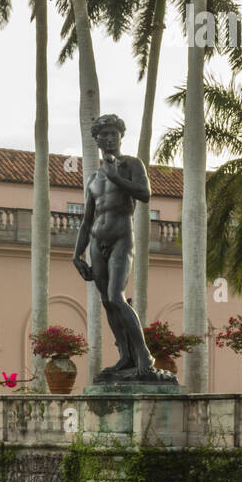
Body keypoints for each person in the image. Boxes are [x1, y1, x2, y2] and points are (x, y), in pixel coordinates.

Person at [74, 114, 176, 383]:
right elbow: (86, 221)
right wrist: (76, 254)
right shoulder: (93, 179)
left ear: (120, 137)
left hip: (121, 237)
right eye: (103, 134)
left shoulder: (131, 164)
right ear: (96, 140)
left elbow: (144, 194)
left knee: (117, 296)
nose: (109, 138)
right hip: (97, 241)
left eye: (113, 133)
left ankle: (144, 355)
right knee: (107, 303)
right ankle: (125, 357)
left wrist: (116, 178)